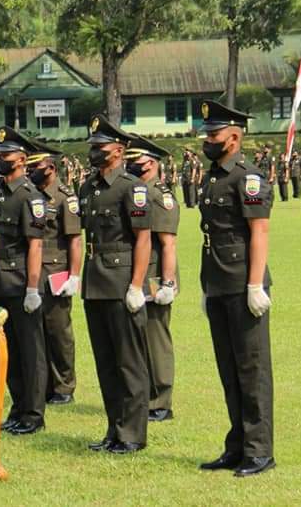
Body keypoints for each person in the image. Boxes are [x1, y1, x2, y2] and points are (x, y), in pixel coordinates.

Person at [197, 100, 275, 477]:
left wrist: (256, 284)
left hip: (244, 282)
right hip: (218, 281)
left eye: (214, 134)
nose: (208, 140)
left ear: (234, 136)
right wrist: (206, 285)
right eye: (207, 134)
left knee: (252, 369)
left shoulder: (249, 177)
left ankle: (260, 451)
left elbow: (259, 232)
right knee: (229, 369)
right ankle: (238, 445)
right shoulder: (214, 176)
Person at [79, 114, 152, 454]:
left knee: (129, 362)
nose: (94, 151)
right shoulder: (89, 187)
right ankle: (114, 428)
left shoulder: (131, 187)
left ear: (119, 150)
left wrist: (137, 285)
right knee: (106, 362)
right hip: (95, 280)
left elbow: (142, 239)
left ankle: (132, 434)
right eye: (92, 146)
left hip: (121, 280)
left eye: (100, 146)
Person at [0, 127, 48, 435]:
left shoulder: (29, 197)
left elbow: (35, 245)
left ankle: (34, 414)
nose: (0, 160)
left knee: (31, 351)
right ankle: (18, 406)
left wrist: (33, 289)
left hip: (23, 282)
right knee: (8, 350)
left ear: (22, 159)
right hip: (0, 282)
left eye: (5, 156)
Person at [125, 136, 179, 423]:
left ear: (153, 163)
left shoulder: (159, 196)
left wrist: (168, 284)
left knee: (156, 339)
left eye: (139, 162)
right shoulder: (137, 193)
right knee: (138, 339)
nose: (134, 166)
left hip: (156, 276)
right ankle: (144, 396)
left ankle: (161, 401)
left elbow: (168, 243)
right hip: (138, 274)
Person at [25, 145, 81, 407]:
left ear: (51, 168)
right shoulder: (31, 195)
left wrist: (74, 276)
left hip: (57, 271)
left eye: (35, 168)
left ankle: (64, 385)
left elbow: (74, 240)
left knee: (58, 332)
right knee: (37, 332)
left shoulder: (64, 197)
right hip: (34, 271)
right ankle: (44, 383)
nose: (31, 172)